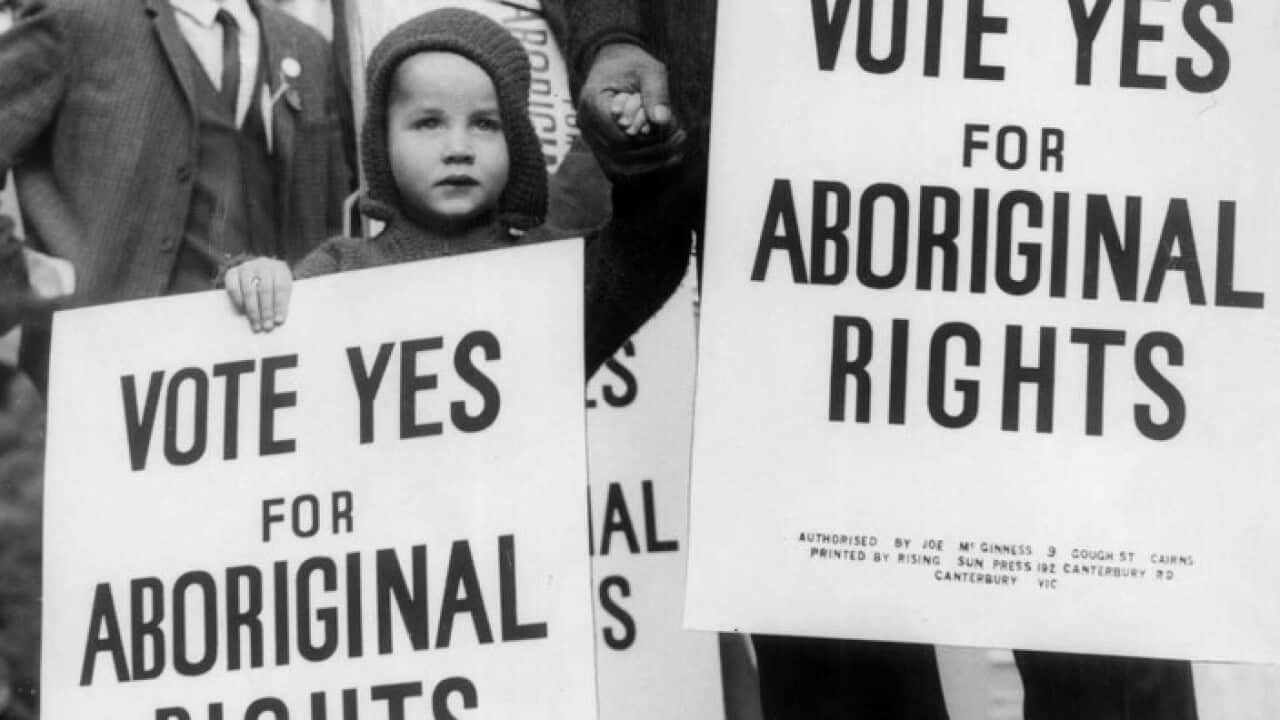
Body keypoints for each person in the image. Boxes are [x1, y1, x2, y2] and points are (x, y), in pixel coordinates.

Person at [556, 2, 1202, 720]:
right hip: (800, 206)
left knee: (1104, 633)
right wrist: (614, 36)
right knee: (838, 657)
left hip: (1059, 193)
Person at [225, 7, 692, 379]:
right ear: (381, 143)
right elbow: (249, 357)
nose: (458, 149)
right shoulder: (338, 270)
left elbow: (642, 263)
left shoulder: (550, 269)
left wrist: (642, 158)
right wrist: (256, 283)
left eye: (486, 124)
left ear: (519, 144)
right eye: (428, 123)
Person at [0, 0, 352, 392]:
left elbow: (332, 226)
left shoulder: (307, 49)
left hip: (263, 381)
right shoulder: (78, 17)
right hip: (102, 377)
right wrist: (17, 275)